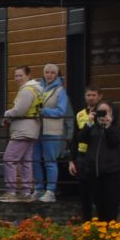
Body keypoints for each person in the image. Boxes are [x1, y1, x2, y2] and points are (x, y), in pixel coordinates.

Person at [70, 99, 120, 221]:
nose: (103, 115)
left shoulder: (116, 128)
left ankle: (111, 229)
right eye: (100, 112)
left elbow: (114, 141)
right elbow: (81, 138)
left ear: (111, 113)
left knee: (111, 203)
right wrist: (89, 123)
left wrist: (108, 126)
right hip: (94, 172)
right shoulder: (93, 128)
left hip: (111, 172)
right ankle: (100, 228)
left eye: (106, 112)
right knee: (99, 203)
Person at [2, 65, 42, 200]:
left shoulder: (26, 91)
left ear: (28, 75)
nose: (17, 78)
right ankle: (26, 191)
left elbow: (19, 110)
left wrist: (7, 113)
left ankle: (11, 191)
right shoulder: (35, 89)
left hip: (22, 130)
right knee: (26, 161)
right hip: (31, 129)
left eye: (20, 75)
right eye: (16, 75)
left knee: (9, 159)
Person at [36, 62, 71, 203]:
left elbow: (62, 111)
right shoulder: (39, 88)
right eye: (47, 72)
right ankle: (38, 189)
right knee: (35, 160)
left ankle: (51, 191)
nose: (49, 75)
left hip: (52, 130)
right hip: (37, 129)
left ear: (57, 75)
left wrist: (44, 111)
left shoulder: (60, 91)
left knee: (50, 161)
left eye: (52, 73)